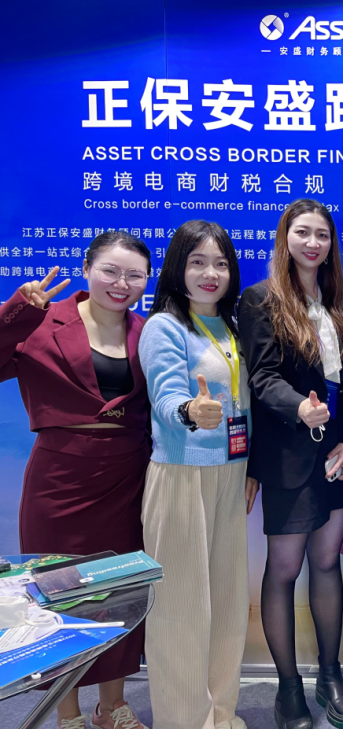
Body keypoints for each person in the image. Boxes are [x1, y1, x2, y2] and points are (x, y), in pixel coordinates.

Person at [0, 232, 152, 729]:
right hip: (59, 479)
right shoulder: (43, 320)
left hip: (128, 476)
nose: (121, 283)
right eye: (110, 270)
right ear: (87, 269)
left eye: (134, 275)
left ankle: (113, 706)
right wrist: (17, 311)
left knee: (121, 591)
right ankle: (67, 713)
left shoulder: (147, 331)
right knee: (60, 594)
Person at [238, 199, 343, 729]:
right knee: (285, 569)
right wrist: (300, 408)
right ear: (285, 239)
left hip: (336, 450)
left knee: (327, 561)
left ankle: (330, 675)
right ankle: (288, 687)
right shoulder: (259, 299)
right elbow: (262, 378)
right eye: (303, 233)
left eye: (322, 235)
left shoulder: (339, 303)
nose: (313, 243)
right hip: (289, 449)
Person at [139, 220, 258, 729]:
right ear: (177, 268)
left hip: (231, 474)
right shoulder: (164, 327)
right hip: (181, 474)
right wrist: (191, 411)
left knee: (227, 606)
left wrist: (251, 467)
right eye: (197, 262)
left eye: (221, 263)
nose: (210, 273)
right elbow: (166, 395)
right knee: (181, 610)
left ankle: (221, 715)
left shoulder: (231, 328)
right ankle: (185, 721)